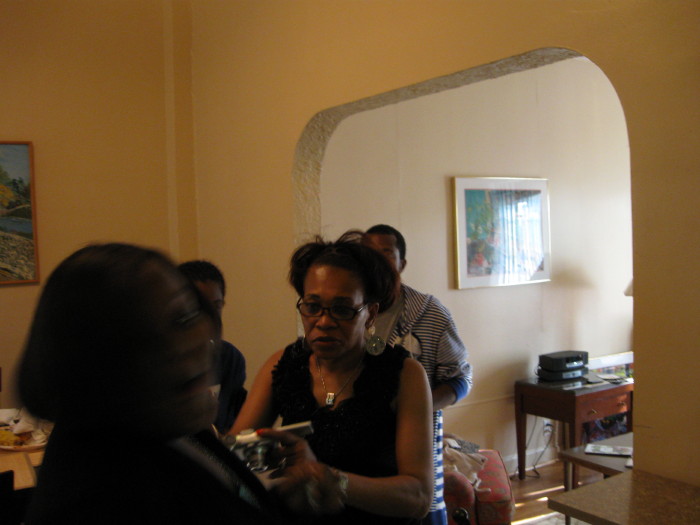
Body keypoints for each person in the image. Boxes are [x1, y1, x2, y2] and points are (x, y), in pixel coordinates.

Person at [16, 243, 343, 525]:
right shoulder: (97, 497)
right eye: (147, 335)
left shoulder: (173, 425)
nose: (195, 340)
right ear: (90, 362)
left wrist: (294, 504)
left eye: (186, 316)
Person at [230, 232, 434, 525]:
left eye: (342, 309)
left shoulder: (404, 374)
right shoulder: (283, 365)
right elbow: (233, 454)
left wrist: (332, 480)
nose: (324, 322)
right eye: (312, 307)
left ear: (370, 313)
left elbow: (419, 497)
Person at [362, 224, 473, 525]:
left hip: (417, 444)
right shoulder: (348, 311)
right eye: (368, 253)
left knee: (419, 510)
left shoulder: (429, 313)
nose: (377, 261)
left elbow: (461, 379)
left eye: (386, 253)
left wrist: (414, 409)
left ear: (402, 263)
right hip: (360, 445)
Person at [178, 259, 247, 434]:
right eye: (198, 307)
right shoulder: (161, 362)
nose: (210, 317)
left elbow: (233, 426)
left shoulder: (229, 358)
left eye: (216, 306)